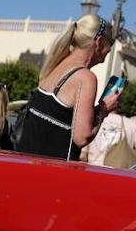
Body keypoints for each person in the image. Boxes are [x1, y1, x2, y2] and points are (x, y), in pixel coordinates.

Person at [15, 14, 119, 160]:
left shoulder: (55, 65)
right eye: (111, 42)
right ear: (99, 42)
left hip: (25, 163)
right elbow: (82, 137)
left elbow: (58, 115)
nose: (110, 49)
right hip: (53, 172)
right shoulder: (85, 78)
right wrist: (104, 110)